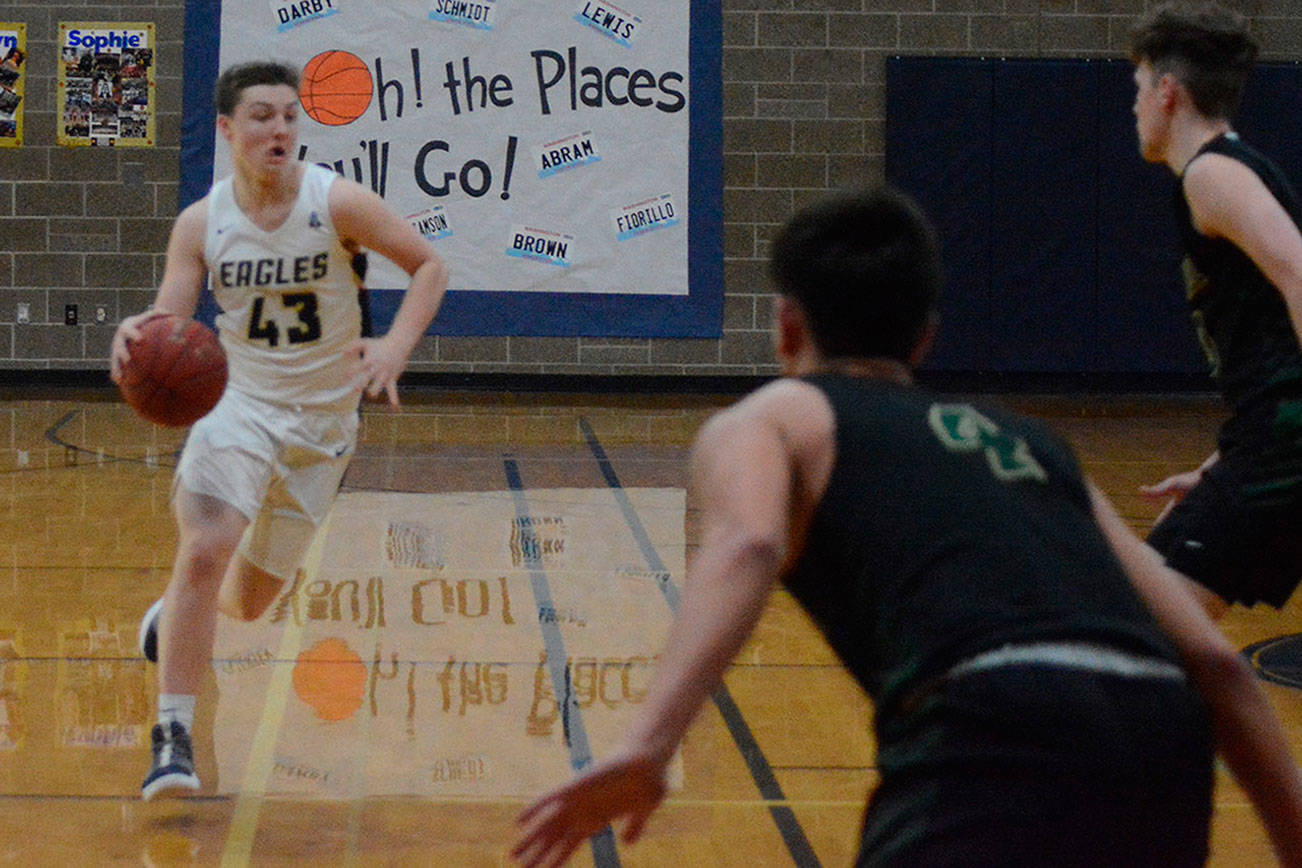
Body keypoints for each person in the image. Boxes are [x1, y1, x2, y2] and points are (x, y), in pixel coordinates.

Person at [511, 186, 1302, 867]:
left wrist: (651, 742)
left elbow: (748, 541)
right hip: (1161, 743)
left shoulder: (779, 416)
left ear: (787, 326)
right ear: (924, 336)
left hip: (991, 727)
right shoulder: (1028, 441)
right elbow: (1216, 666)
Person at [108, 61, 449, 801]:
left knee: (251, 600)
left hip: (322, 422)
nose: (281, 129)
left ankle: (173, 615)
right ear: (229, 130)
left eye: (291, 115)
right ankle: (172, 735)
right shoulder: (202, 223)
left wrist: (394, 348)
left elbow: (428, 267)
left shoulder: (338, 203)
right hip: (238, 405)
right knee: (205, 547)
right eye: (263, 116)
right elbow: (172, 317)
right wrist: (141, 335)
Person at [1129, 2, 1302, 618]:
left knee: (1151, 633)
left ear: (1168, 92)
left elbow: (1299, 273)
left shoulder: (1212, 176)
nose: (1135, 106)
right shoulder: (1226, 172)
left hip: (1283, 448)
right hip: (1265, 440)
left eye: (1138, 88)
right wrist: (1219, 467)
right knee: (1147, 610)